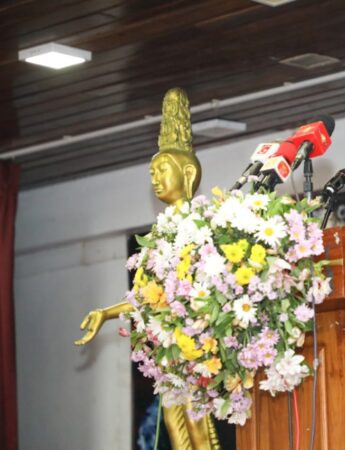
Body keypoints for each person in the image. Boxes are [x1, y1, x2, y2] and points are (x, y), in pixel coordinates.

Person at [75, 88, 219, 450]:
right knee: (172, 420)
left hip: (196, 339)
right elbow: (145, 296)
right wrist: (106, 313)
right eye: (152, 172)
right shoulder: (160, 235)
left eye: (162, 170)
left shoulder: (203, 227)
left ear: (188, 173)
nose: (155, 178)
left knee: (198, 423)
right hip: (171, 343)